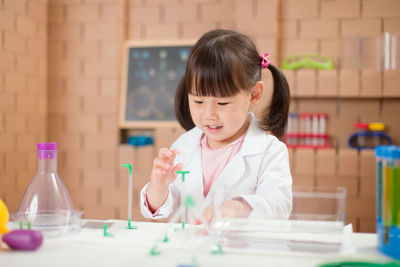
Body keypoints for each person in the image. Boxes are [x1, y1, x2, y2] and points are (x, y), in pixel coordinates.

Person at [140, 29, 292, 223]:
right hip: (191, 250)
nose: (209, 115)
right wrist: (159, 187)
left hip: (238, 251)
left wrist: (238, 208)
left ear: (254, 94)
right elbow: (162, 209)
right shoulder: (184, 146)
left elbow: (279, 205)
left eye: (222, 103)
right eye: (198, 101)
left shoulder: (270, 151)